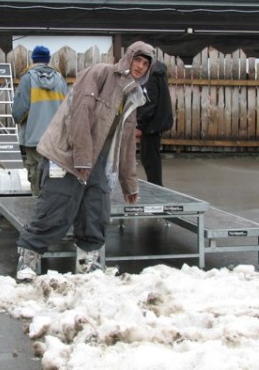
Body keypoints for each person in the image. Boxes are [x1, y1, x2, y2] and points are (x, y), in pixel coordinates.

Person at [16, 41, 156, 281]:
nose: (140, 67)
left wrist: (129, 184)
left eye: (145, 64)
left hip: (98, 158)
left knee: (96, 209)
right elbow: (79, 114)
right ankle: (27, 259)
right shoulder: (99, 73)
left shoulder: (134, 96)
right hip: (67, 153)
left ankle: (87, 263)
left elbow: (125, 144)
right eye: (137, 60)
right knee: (54, 208)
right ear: (128, 58)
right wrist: (81, 158)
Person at [12, 46, 68, 195]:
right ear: (48, 60)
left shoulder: (27, 78)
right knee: (54, 175)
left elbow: (19, 112)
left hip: (34, 138)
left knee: (36, 174)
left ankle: (38, 209)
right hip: (55, 139)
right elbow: (68, 109)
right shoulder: (60, 79)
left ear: (33, 59)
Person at [135, 61, 174, 186]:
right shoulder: (158, 73)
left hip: (151, 125)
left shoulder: (152, 76)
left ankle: (156, 188)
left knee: (150, 159)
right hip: (155, 123)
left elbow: (149, 103)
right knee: (150, 158)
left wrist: (140, 125)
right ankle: (155, 186)